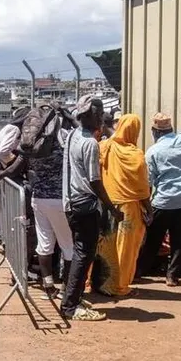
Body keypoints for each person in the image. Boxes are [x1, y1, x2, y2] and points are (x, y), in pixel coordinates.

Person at [62, 95, 123, 322]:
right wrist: (112, 208)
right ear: (89, 116)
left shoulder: (72, 136)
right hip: (84, 205)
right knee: (83, 254)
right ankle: (70, 305)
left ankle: (71, 297)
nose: (101, 118)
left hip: (71, 202)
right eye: (98, 113)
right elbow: (95, 181)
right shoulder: (89, 143)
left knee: (80, 252)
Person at [138, 85, 181, 286]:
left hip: (164, 202)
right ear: (171, 128)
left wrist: (146, 208)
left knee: (152, 240)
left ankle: (140, 271)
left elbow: (148, 183)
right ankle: (173, 275)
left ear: (154, 131)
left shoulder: (153, 152)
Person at [93, 114, 150, 297]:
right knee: (125, 249)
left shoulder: (104, 146)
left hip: (106, 205)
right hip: (128, 209)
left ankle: (93, 283)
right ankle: (119, 286)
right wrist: (149, 210)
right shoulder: (136, 155)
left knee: (102, 245)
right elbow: (142, 188)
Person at [28, 120, 73, 299]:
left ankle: (48, 286)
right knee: (68, 246)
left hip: (38, 198)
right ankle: (65, 289)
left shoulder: (34, 142)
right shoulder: (65, 139)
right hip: (59, 199)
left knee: (45, 245)